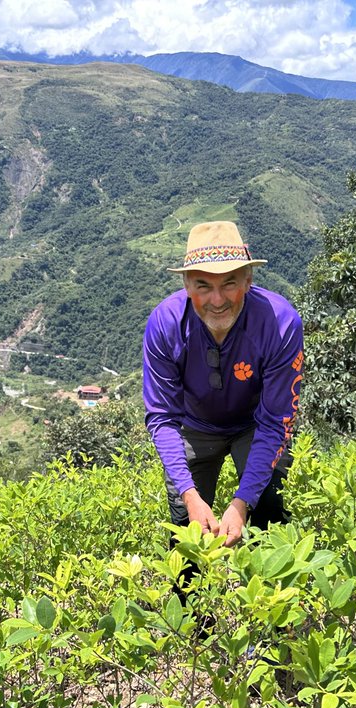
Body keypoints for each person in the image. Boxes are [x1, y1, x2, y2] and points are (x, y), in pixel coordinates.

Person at [143, 220, 303, 548]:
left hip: (255, 424)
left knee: (268, 511)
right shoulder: (166, 323)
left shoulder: (280, 323)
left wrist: (241, 503)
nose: (217, 300)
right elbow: (162, 418)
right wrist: (189, 496)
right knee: (187, 531)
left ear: (248, 280)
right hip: (194, 425)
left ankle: (263, 580)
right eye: (203, 286)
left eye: (229, 283)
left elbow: (276, 420)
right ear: (187, 285)